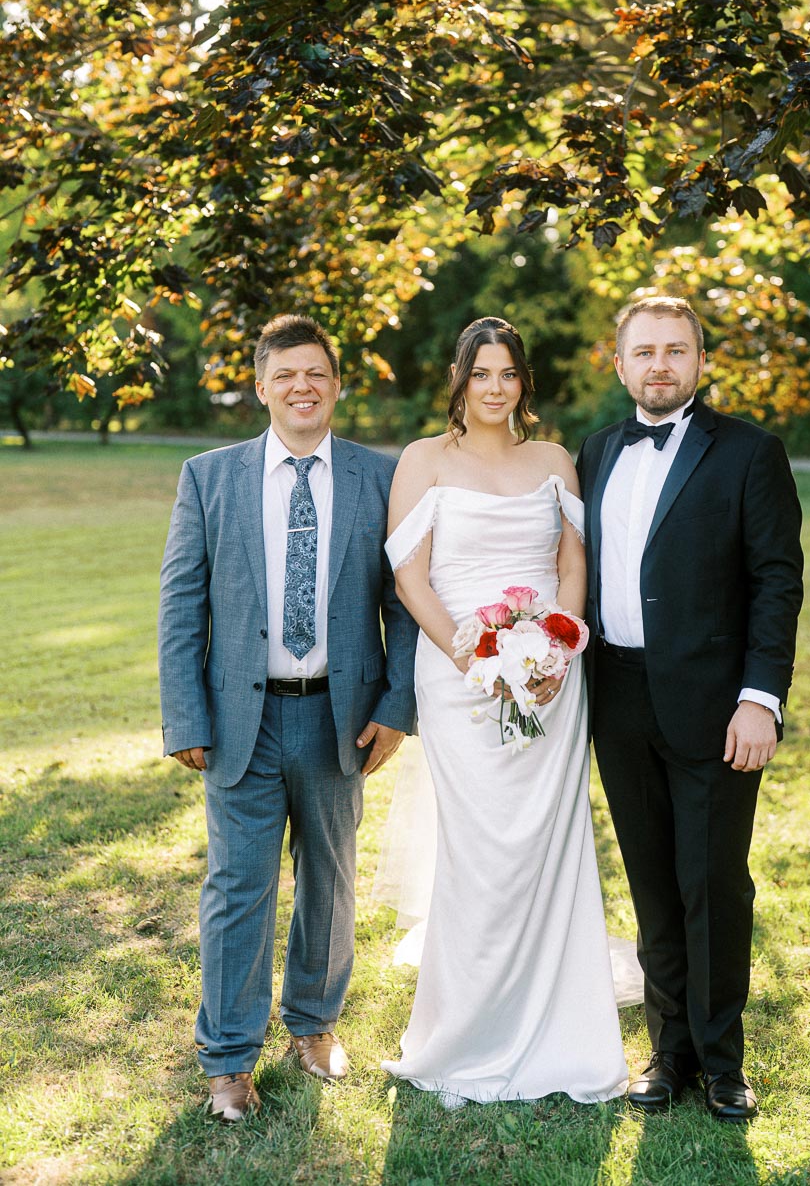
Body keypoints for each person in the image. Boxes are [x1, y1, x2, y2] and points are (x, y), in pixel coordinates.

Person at [158, 314, 417, 1122]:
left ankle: (313, 1025)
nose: (303, 387)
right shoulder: (210, 477)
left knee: (331, 879)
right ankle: (229, 1059)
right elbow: (180, 602)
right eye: (286, 375)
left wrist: (395, 707)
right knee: (236, 886)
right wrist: (185, 715)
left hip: (341, 716)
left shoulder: (382, 478)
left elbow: (406, 604)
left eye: (318, 374)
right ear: (262, 387)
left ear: (337, 386)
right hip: (241, 717)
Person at [380, 316, 628, 1107]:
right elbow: (411, 578)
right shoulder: (424, 461)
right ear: (459, 378)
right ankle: (466, 1030)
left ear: (524, 381)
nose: (495, 387)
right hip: (457, 677)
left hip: (551, 681)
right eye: (480, 373)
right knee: (481, 847)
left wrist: (559, 649)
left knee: (547, 845)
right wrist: (471, 654)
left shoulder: (554, 460)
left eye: (508, 373)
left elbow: (570, 560)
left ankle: (559, 1025)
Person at [577, 296, 804, 1121]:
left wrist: (760, 699)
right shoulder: (596, 452)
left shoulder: (749, 453)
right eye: (645, 352)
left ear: (701, 361)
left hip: (716, 705)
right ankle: (667, 1050)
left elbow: (776, 582)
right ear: (621, 363)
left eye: (676, 350)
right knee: (651, 882)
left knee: (712, 881)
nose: (660, 365)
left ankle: (722, 1059)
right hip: (618, 698)